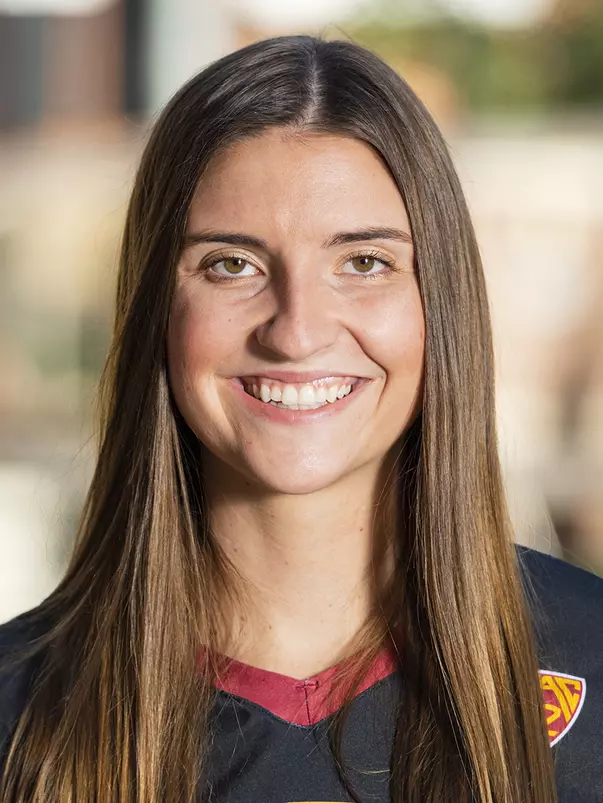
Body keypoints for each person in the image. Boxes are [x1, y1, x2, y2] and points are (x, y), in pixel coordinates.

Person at [0, 34, 602, 803]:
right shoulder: (19, 708)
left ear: (439, 303)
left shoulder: (590, 659)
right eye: (232, 264)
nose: (296, 331)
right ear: (158, 305)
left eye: (363, 263)